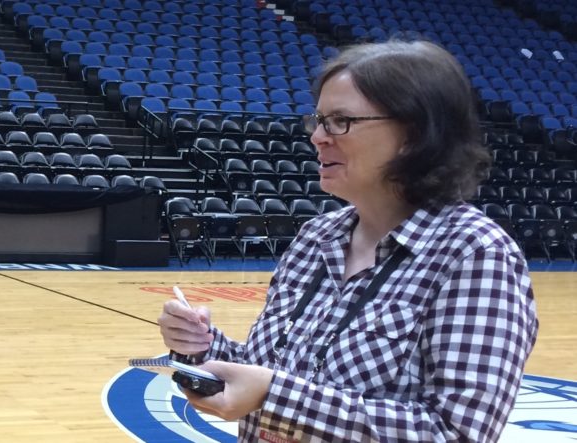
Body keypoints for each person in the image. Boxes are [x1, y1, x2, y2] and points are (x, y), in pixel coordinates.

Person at [159, 40, 538, 442]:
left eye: (340, 121)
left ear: (414, 133)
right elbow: (276, 371)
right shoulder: (314, 238)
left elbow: (457, 433)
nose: (318, 137)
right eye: (318, 120)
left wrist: (275, 395)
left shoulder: (475, 255)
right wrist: (201, 348)